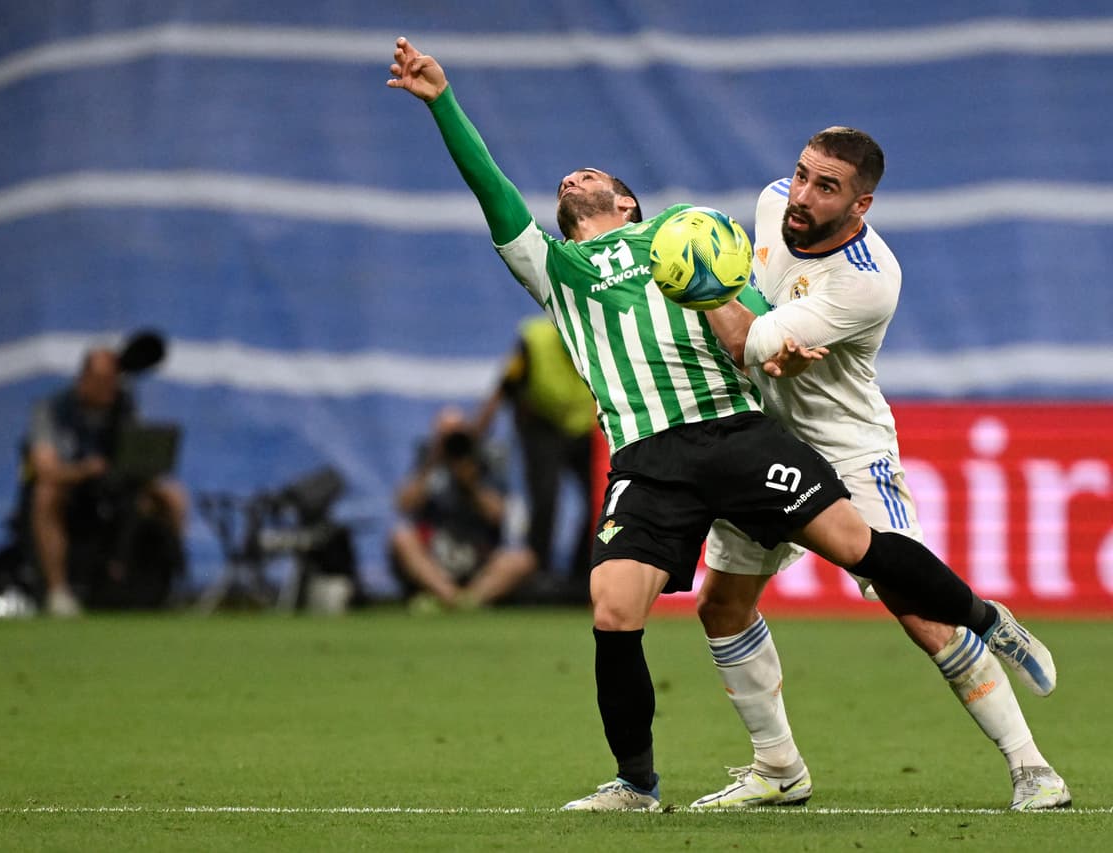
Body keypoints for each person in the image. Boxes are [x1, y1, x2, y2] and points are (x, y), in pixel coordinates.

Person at [387, 36, 1056, 812]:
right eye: (567, 179)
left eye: (594, 174)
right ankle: (661, 782)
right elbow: (493, 190)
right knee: (635, 608)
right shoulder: (554, 268)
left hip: (746, 429)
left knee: (875, 563)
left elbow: (746, 314)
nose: (573, 177)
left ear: (630, 203)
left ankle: (1001, 671)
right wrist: (443, 102)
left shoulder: (680, 236)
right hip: (649, 456)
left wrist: (775, 341)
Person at [688, 128, 1069, 811]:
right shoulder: (771, 201)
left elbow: (742, 335)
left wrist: (692, 280)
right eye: (802, 174)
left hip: (845, 446)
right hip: (763, 439)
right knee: (721, 602)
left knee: (915, 605)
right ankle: (778, 768)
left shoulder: (868, 279)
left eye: (825, 187)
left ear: (860, 205)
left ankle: (1033, 767)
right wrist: (763, 324)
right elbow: (756, 310)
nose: (802, 194)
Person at [24, 347, 187, 617]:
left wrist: (142, 470)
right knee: (45, 495)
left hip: (116, 486)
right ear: (84, 379)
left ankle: (170, 586)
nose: (109, 387)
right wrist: (85, 470)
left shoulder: (123, 406)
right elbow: (44, 469)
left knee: (172, 496)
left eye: (113, 380)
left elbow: (138, 453)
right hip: (74, 488)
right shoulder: (53, 409)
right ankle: (58, 592)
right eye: (102, 380)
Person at [472, 316, 597, 597]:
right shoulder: (534, 341)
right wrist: (475, 436)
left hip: (584, 427)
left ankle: (582, 572)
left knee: (599, 498)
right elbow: (504, 388)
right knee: (546, 497)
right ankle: (537, 572)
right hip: (541, 424)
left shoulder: (600, 341)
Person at [390, 406, 536, 611]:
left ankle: (466, 600)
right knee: (401, 538)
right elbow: (403, 505)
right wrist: (433, 462)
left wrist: (471, 484)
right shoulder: (427, 461)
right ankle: (450, 596)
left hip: (478, 553)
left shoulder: (485, 460)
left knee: (522, 560)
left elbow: (499, 515)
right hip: (437, 552)